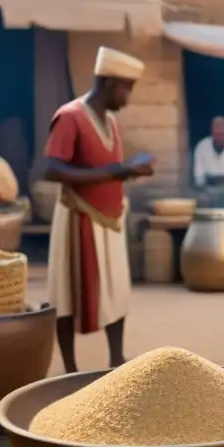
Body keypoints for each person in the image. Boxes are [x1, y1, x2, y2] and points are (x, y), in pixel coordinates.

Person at [43, 47, 154, 372]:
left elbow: (110, 165)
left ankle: (116, 357)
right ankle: (70, 368)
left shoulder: (110, 121)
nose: (128, 96)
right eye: (126, 87)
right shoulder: (70, 116)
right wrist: (118, 171)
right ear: (108, 83)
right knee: (66, 292)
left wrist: (132, 169)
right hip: (78, 217)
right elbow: (51, 169)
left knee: (116, 289)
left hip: (110, 217)